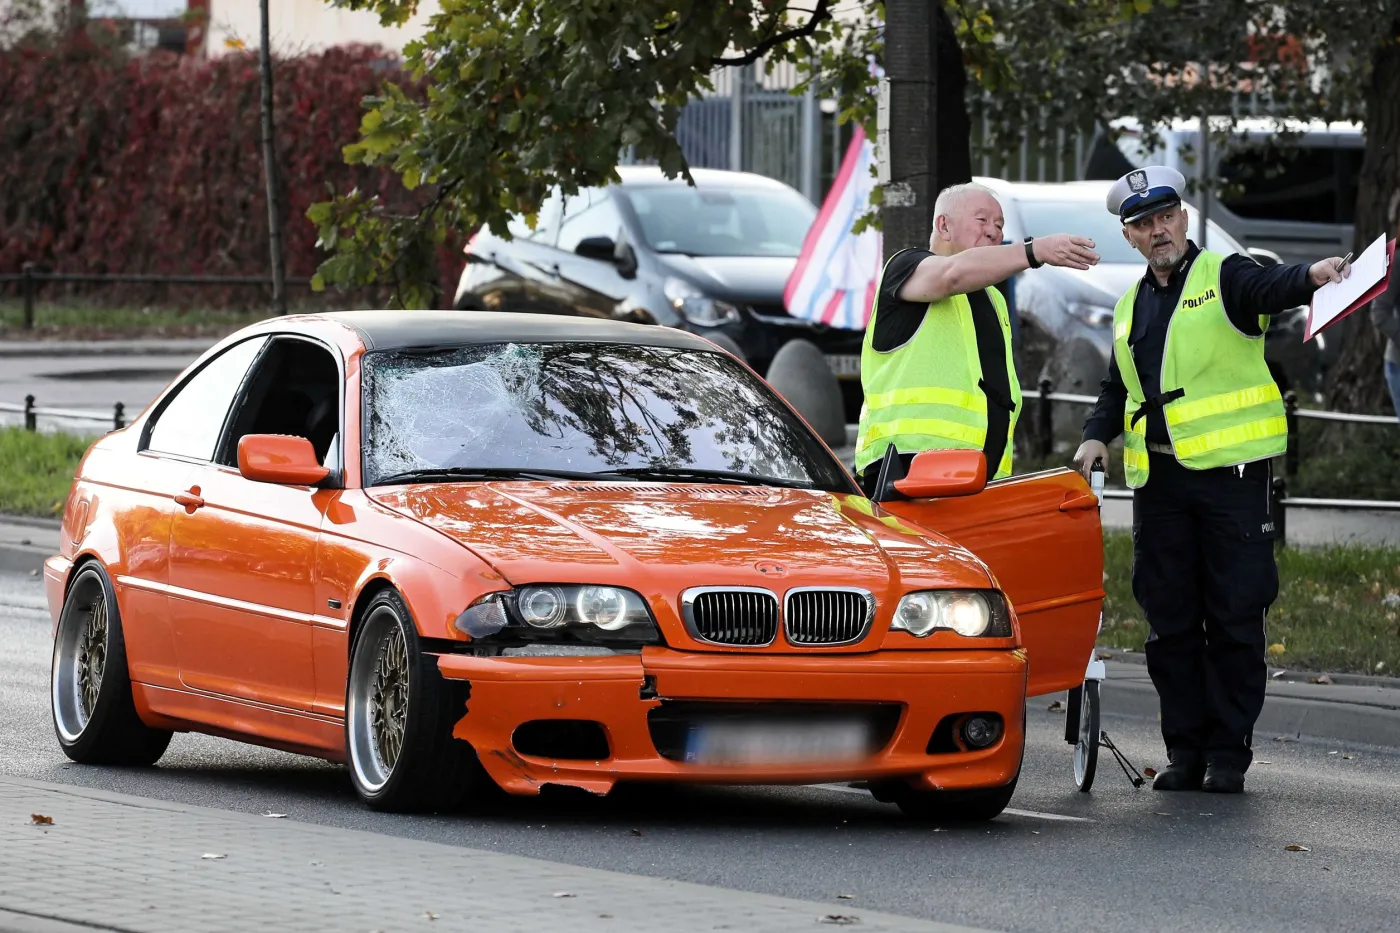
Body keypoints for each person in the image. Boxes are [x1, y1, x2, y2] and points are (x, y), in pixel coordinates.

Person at [1072, 166, 1349, 794]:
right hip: (1160, 484)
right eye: (1144, 223)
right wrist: (1094, 435)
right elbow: (1118, 386)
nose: (1159, 230)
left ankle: (1227, 753)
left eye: (1166, 217)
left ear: (1184, 219)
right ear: (1129, 236)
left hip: (1232, 480)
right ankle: (1185, 750)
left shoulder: (1225, 275)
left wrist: (1313, 275)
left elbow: (1270, 286)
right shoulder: (1128, 306)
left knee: (1234, 617)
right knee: (1169, 622)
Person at [854, 182, 1100, 494]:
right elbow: (950, 275)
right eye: (982, 220)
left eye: (1000, 225)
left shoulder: (994, 300)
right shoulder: (906, 266)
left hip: (979, 480)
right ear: (944, 225)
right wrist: (1034, 250)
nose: (994, 231)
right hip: (905, 473)